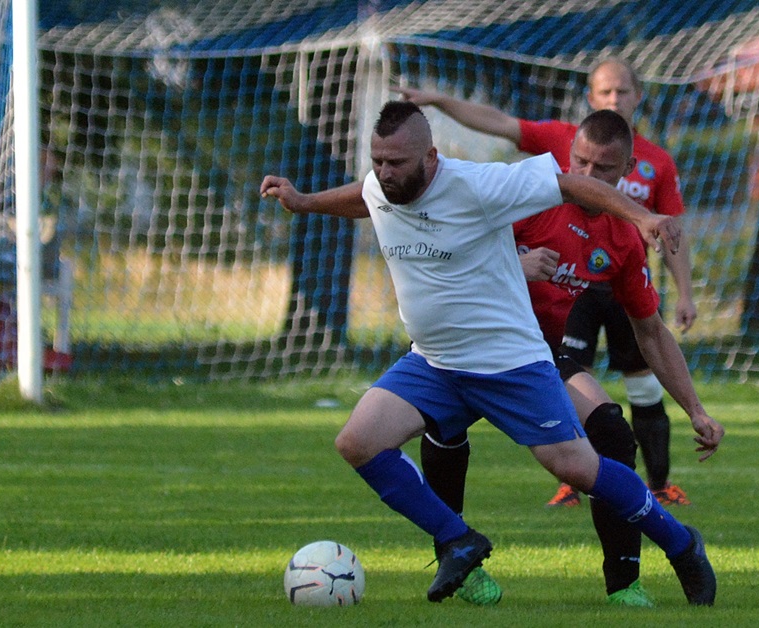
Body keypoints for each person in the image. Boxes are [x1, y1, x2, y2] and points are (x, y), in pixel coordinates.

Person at [259, 101, 719, 606]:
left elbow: (567, 185)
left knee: (579, 468)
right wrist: (303, 202)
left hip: (510, 363)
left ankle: (681, 544)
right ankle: (458, 540)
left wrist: (644, 216)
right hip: (434, 361)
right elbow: (365, 198)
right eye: (379, 160)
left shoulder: (477, 185)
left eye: (398, 163)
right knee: (357, 442)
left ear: (430, 158)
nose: (386, 173)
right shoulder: (382, 184)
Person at [420, 109, 724, 607]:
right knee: (435, 430)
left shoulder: (623, 238)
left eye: (602, 169)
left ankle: (625, 583)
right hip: (466, 346)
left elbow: (651, 331)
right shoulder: (528, 197)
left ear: (628, 170)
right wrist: (516, 265)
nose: (585, 177)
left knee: (611, 432)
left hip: (534, 358)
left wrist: (696, 409)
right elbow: (446, 248)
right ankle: (459, 558)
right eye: (577, 162)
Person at [395, 57, 696, 507]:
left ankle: (644, 519)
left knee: (627, 404)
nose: (586, 178)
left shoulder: (656, 169)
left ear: (638, 97)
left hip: (609, 280)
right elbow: (496, 127)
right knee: (381, 438)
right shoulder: (543, 161)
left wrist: (697, 406)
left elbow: (672, 238)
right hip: (507, 314)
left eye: (623, 91)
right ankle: (461, 536)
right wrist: (438, 100)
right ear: (589, 100)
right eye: (606, 91)